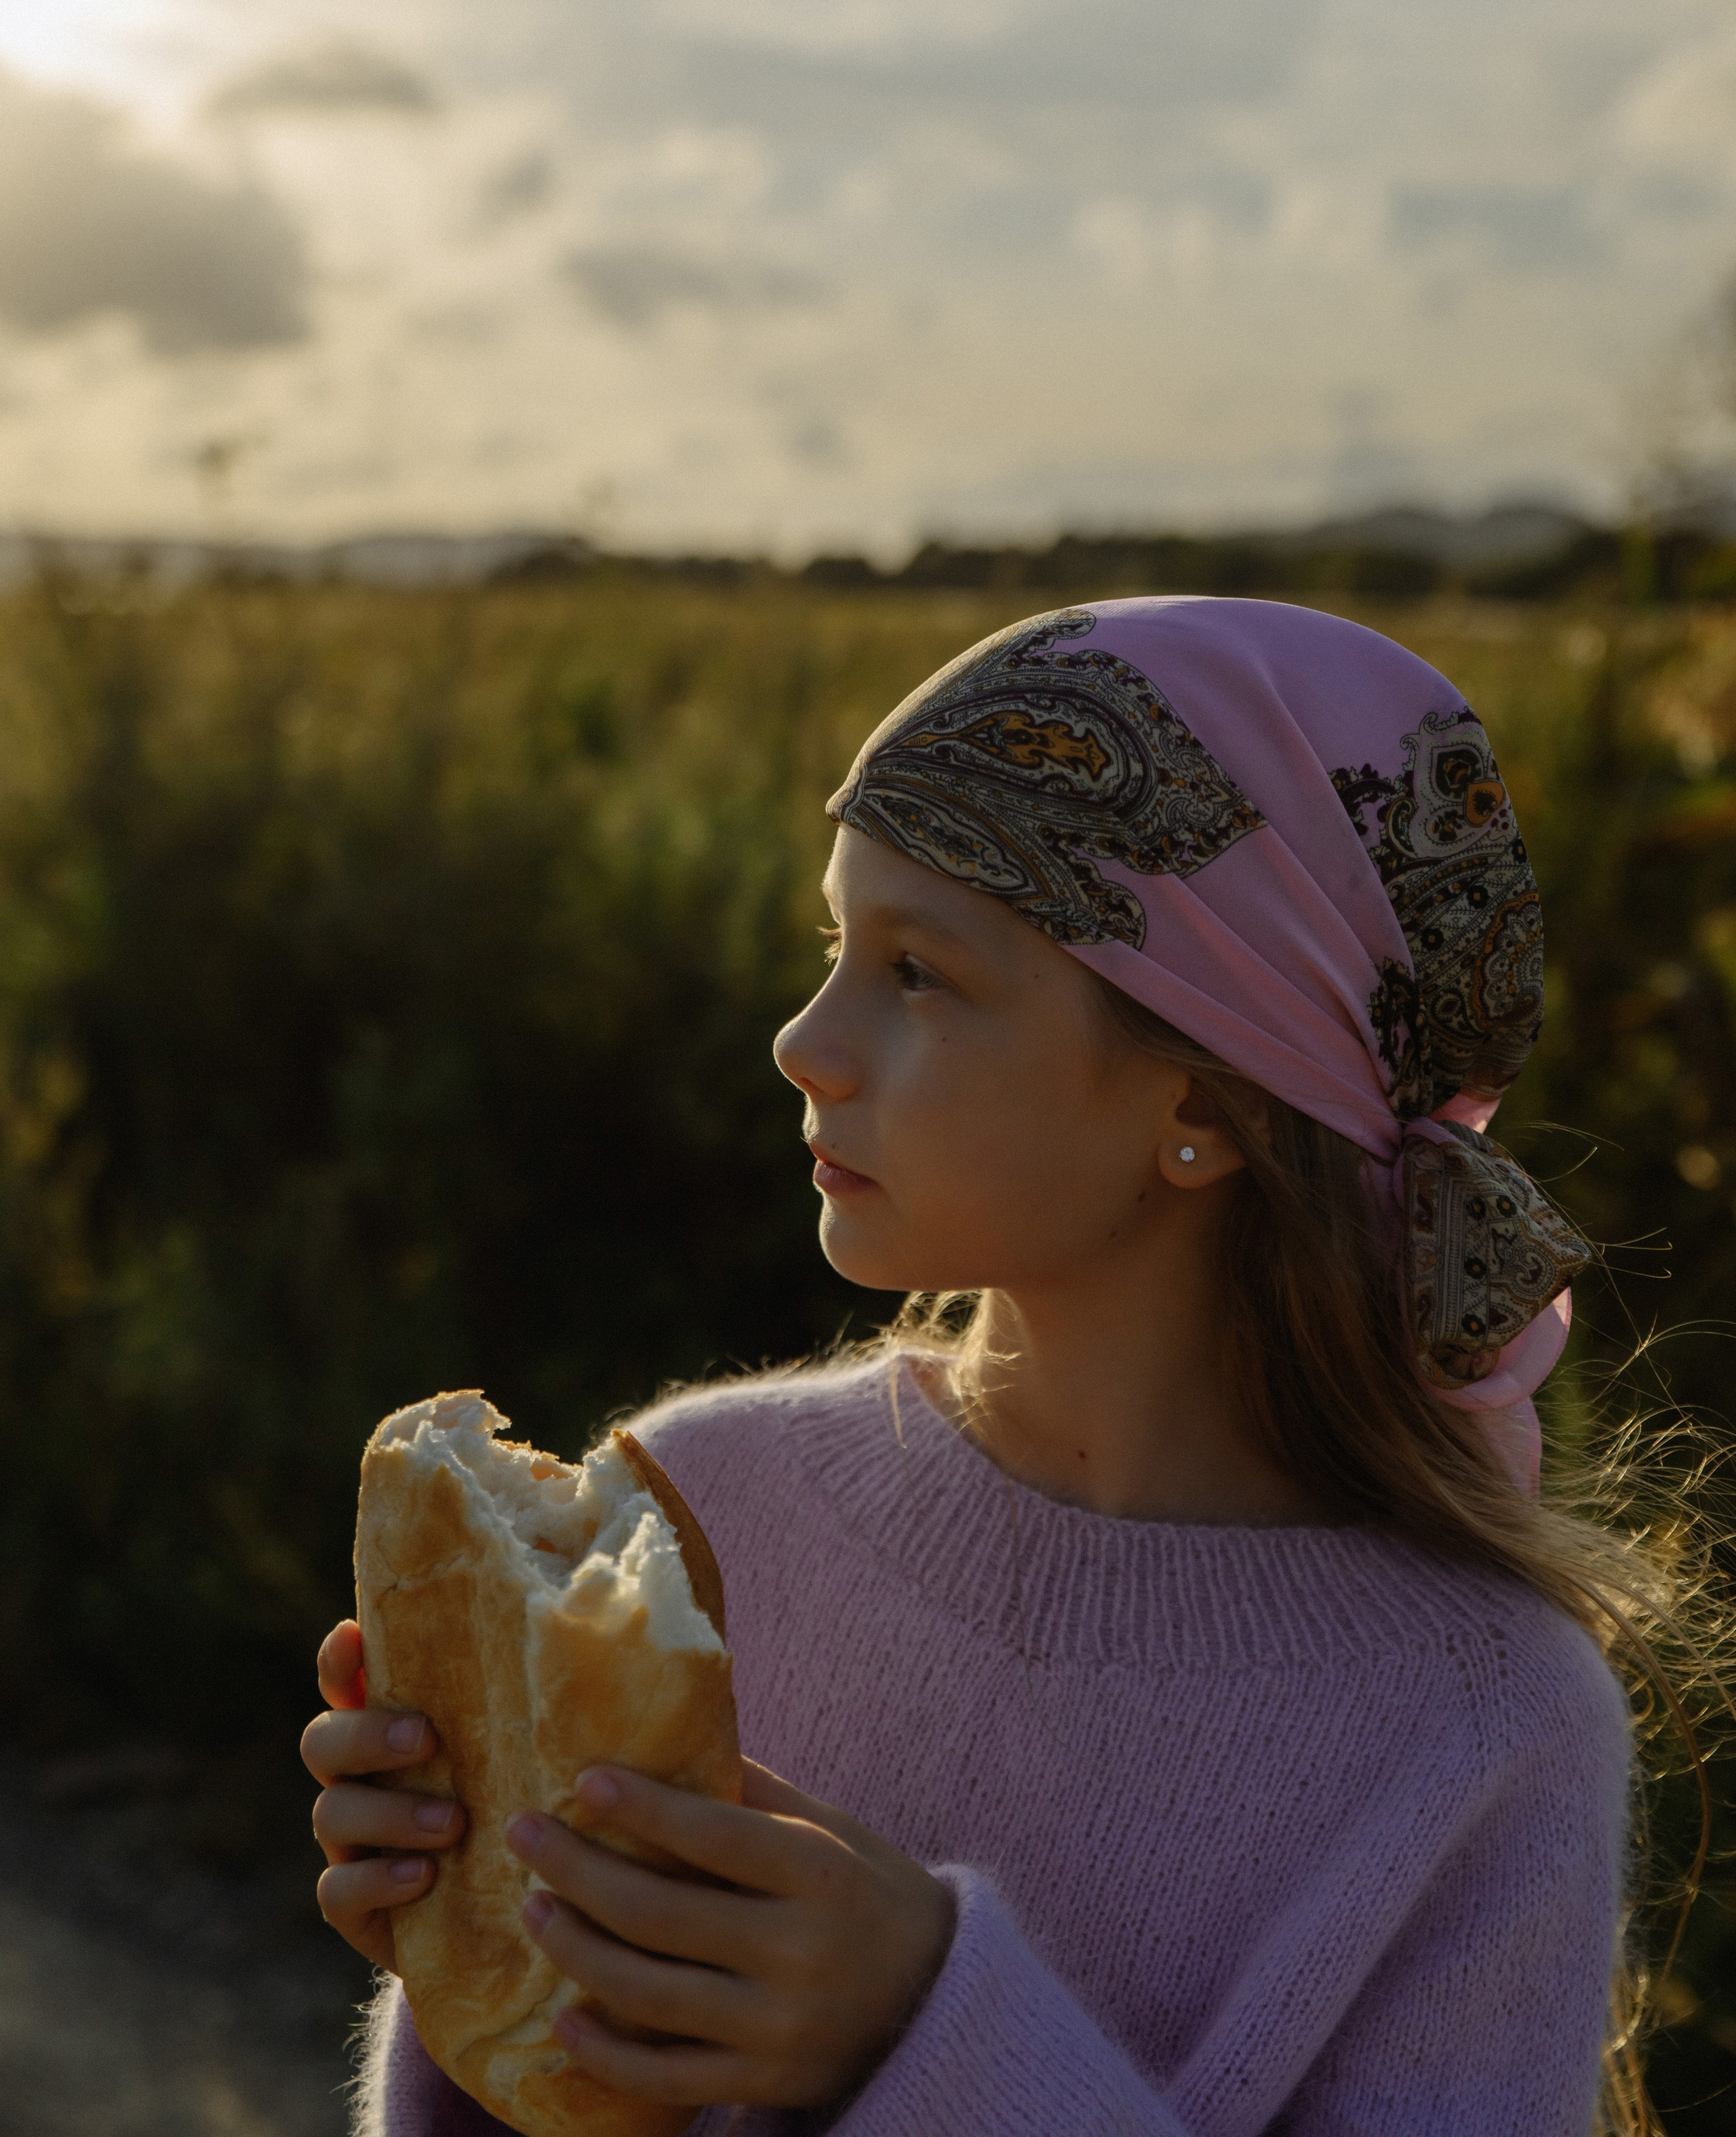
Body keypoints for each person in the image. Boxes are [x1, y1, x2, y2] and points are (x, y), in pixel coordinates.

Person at [307, 595, 1690, 2136]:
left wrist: (913, 2034)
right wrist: (475, 1974)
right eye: (835, 944)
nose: (801, 1042)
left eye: (918, 975)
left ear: (1209, 1102)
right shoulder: (692, 1513)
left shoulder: (1487, 1729)